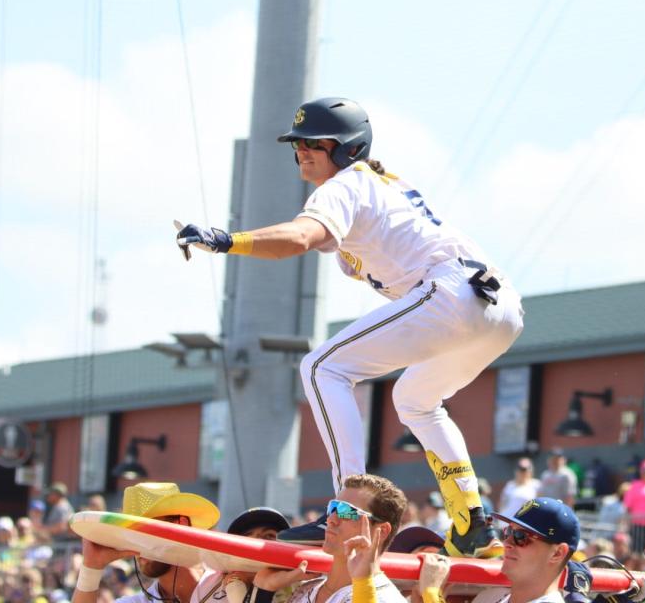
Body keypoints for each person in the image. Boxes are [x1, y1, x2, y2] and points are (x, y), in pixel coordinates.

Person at [176, 97, 524, 558]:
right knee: (415, 400)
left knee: (323, 368)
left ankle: (347, 509)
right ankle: (472, 524)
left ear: (346, 148)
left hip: (451, 292)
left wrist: (226, 241)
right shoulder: (375, 182)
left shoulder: (343, 185)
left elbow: (300, 238)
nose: (302, 151)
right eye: (296, 144)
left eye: (314, 143)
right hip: (498, 307)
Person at [253, 473, 408, 603]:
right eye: (333, 508)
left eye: (346, 511)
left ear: (382, 531)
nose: (331, 519)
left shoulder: (388, 599)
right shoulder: (306, 589)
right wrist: (265, 591)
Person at [72, 481, 221, 603]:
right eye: (132, 536)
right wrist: (91, 567)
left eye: (147, 532)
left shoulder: (227, 584)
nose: (139, 546)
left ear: (180, 524)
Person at [190, 506, 292, 603]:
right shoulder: (209, 583)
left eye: (269, 536)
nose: (257, 543)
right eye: (246, 538)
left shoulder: (302, 588)